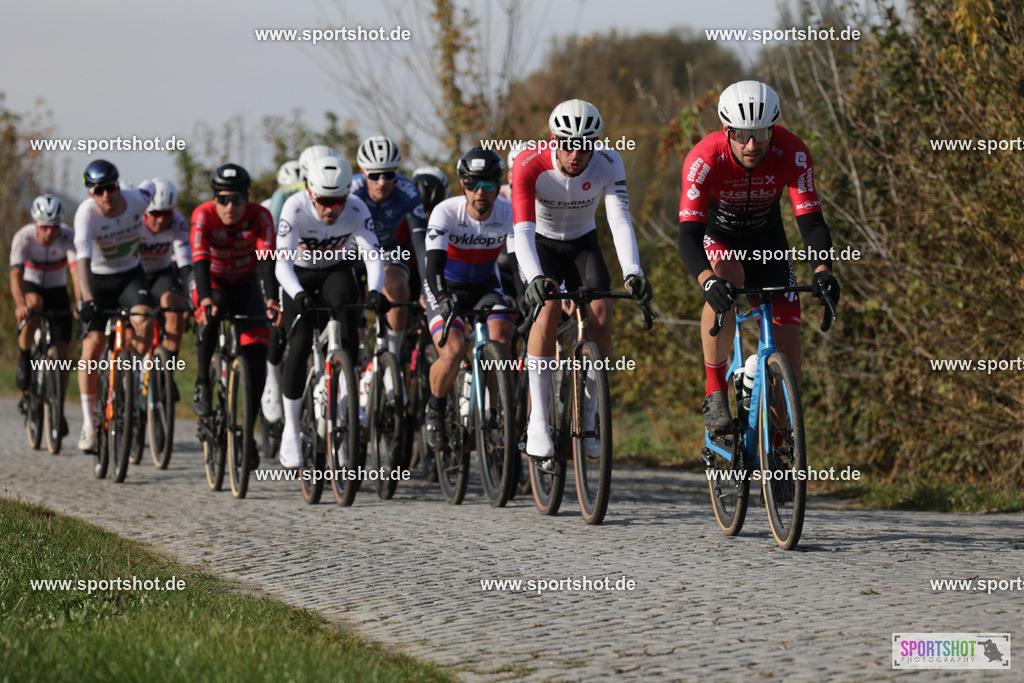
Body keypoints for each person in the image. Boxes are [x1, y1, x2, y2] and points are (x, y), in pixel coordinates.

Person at [676, 80, 840, 432]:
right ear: (727, 130)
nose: (752, 145)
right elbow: (688, 235)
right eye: (742, 135)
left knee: (788, 332)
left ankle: (781, 437)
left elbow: (811, 224)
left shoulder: (793, 152)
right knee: (729, 280)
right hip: (717, 235)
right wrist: (707, 281)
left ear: (774, 128)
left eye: (762, 133)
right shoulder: (704, 158)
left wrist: (824, 272)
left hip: (767, 238)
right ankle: (715, 389)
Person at [511, 99, 653, 462]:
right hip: (540, 244)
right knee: (548, 310)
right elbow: (523, 231)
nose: (576, 153)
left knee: (603, 312)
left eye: (585, 145)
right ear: (553, 138)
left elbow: (620, 221)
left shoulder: (609, 162)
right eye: (568, 144)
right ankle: (538, 421)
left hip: (581, 243)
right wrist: (534, 278)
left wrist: (633, 272)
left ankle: (590, 417)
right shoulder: (528, 162)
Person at [274, 156, 389, 467]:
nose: (331, 210)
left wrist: (376, 291)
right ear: (311, 194)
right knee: (297, 346)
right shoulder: (294, 207)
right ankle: (291, 429)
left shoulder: (355, 208)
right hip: (299, 274)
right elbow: (281, 263)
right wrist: (296, 295)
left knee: (348, 333)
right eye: (324, 202)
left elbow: (372, 254)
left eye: (338, 202)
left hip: (335, 270)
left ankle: (343, 412)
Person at [422, 148, 516, 449]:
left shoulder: (507, 212)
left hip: (486, 285)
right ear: (462, 184)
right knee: (452, 353)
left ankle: (493, 414)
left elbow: (517, 262)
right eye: (472, 184)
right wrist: (441, 297)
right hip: (445, 286)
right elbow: (432, 266)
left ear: (497, 185)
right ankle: (435, 409)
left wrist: (527, 297)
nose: (480, 192)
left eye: (488, 185)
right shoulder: (446, 212)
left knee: (502, 339)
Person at [190, 163, 281, 468]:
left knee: (257, 357)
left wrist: (271, 300)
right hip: (212, 282)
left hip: (244, 284)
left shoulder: (260, 216)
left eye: (238, 199)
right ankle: (204, 381)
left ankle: (246, 434)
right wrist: (203, 300)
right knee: (211, 311)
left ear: (247, 198)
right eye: (224, 199)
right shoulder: (202, 215)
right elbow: (199, 262)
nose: (231, 206)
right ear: (214, 198)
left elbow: (268, 262)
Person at [74, 160, 156, 452]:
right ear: (90, 194)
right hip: (98, 281)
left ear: (118, 185)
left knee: (145, 322)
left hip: (130, 276)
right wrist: (86, 298)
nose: (106, 196)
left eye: (110, 188)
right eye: (99, 191)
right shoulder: (86, 215)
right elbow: (81, 261)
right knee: (92, 345)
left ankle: (131, 374)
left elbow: (152, 185)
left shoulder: (138, 199)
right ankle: (88, 425)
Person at [261, 146, 340, 426]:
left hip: (328, 262)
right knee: (281, 319)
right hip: (289, 261)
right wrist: (274, 295)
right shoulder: (286, 197)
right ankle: (273, 380)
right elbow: (273, 249)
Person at [351, 135, 427, 356]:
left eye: (389, 174)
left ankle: (391, 357)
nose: (382, 182)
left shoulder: (408, 192)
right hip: (351, 250)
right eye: (374, 175)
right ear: (363, 172)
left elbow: (421, 245)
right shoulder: (351, 190)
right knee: (345, 295)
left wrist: (426, 289)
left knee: (397, 285)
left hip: (386, 248)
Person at [11, 194, 80, 434]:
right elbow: (15, 275)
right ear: (35, 223)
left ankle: (57, 409)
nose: (49, 233)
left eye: (54, 227)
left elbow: (76, 272)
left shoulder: (67, 236)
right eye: (44, 227)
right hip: (32, 288)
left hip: (57, 290)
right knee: (34, 304)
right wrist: (20, 303)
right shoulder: (24, 238)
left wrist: (81, 301)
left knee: (62, 351)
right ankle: (24, 356)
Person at [138, 178, 192, 388]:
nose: (161, 221)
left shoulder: (178, 222)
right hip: (135, 274)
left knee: (175, 309)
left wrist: (189, 298)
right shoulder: (135, 220)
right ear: (145, 212)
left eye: (166, 214)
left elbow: (185, 263)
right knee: (136, 320)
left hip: (161, 273)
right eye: (155, 214)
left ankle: (167, 376)